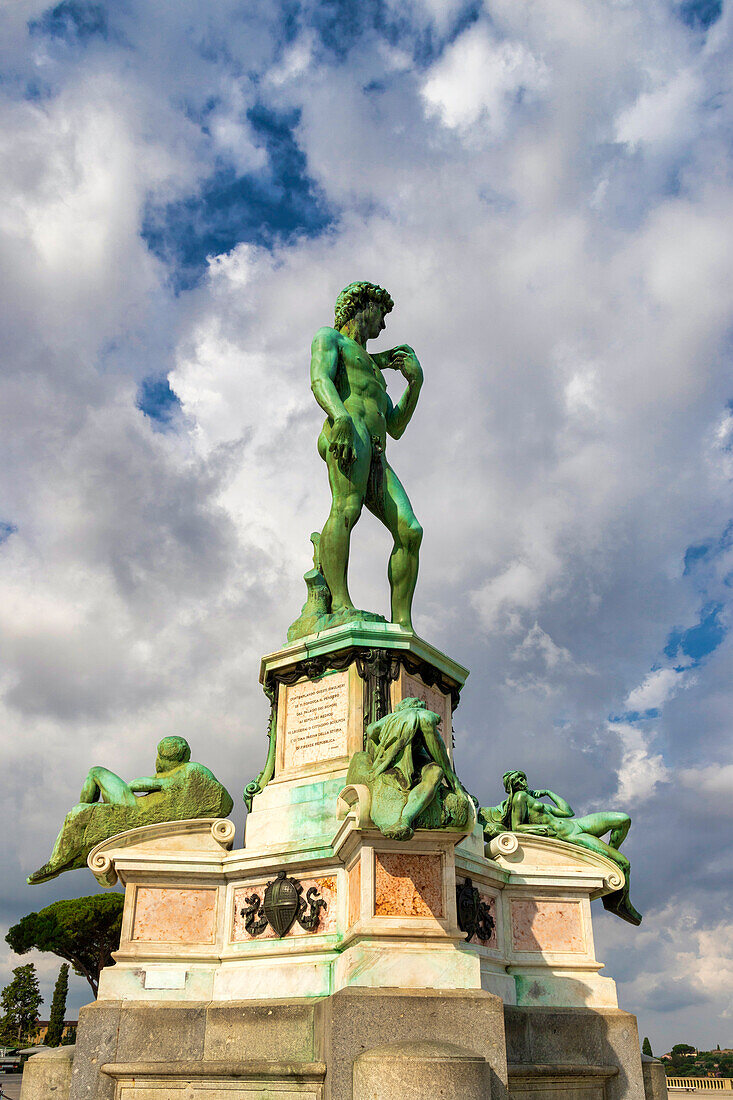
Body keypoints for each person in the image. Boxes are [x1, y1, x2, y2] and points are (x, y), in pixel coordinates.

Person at [310, 281, 423, 631]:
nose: (384, 326)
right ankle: (340, 604)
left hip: (376, 449)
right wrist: (340, 417)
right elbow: (319, 380)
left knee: (410, 531)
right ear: (365, 306)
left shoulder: (374, 367)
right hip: (347, 432)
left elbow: (395, 425)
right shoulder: (329, 338)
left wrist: (414, 384)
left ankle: (403, 623)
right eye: (382, 315)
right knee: (346, 509)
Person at [28, 737, 233, 884]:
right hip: (142, 808)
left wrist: (157, 781)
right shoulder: (191, 771)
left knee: (95, 772)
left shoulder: (185, 770)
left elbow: (136, 784)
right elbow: (224, 801)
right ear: (185, 753)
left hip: (135, 808)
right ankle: (85, 812)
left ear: (163, 756)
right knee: (90, 789)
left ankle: (83, 814)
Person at [480, 769, 641, 925]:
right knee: (624, 863)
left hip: (577, 824)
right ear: (512, 786)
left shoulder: (533, 800)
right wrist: (538, 830)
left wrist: (548, 792)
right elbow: (517, 826)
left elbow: (568, 812)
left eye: (523, 778)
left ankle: (609, 862)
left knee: (623, 819)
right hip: (571, 836)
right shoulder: (519, 797)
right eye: (517, 781)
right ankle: (620, 903)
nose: (523, 783)